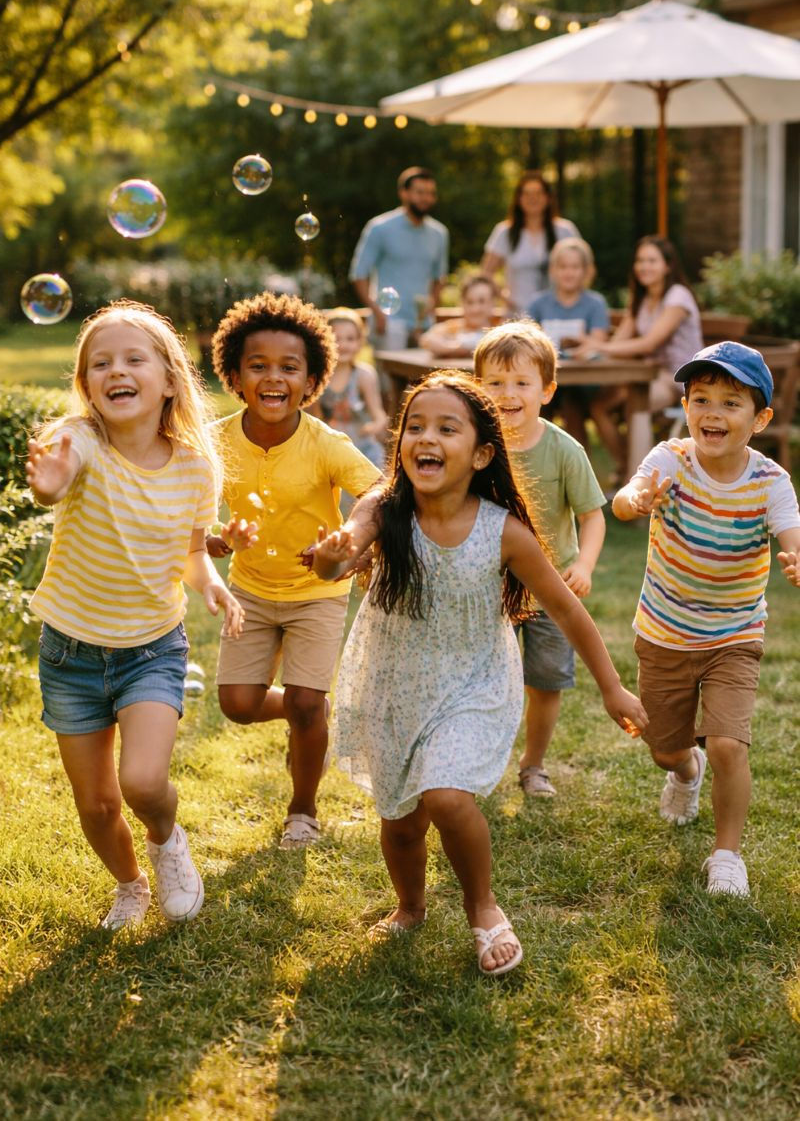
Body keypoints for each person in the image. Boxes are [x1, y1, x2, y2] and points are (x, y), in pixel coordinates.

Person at [311, 372, 646, 975]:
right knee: (402, 820)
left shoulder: (503, 532)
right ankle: (410, 907)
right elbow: (343, 557)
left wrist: (613, 685)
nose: (425, 438)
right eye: (415, 426)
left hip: (474, 682)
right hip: (395, 683)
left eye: (446, 428)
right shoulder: (383, 510)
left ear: (482, 453)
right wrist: (334, 557)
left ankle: (483, 908)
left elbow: (567, 608)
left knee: (445, 794)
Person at [26, 300, 245, 931]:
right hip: (70, 654)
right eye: (100, 363)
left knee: (144, 783)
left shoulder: (196, 468)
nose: (115, 370)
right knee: (95, 804)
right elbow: (53, 484)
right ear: (87, 384)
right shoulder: (81, 441)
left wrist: (211, 585)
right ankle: (129, 885)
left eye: (132, 359)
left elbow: (190, 551)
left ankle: (166, 839)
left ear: (170, 380)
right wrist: (49, 481)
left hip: (151, 648)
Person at [612, 342, 800, 896]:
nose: (712, 413)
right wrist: (637, 497)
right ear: (686, 405)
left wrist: (795, 554)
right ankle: (683, 772)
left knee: (726, 744)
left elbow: (791, 530)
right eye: (701, 399)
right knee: (667, 749)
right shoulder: (670, 459)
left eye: (730, 403)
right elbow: (626, 497)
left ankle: (726, 855)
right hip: (664, 631)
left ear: (760, 418)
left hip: (734, 634)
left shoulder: (770, 481)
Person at [207, 293, 383, 849]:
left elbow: (380, 489)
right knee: (236, 704)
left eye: (289, 367)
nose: (273, 378)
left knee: (307, 703)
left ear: (311, 381)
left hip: (316, 591)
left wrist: (349, 540)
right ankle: (311, 711)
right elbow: (186, 502)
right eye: (258, 366)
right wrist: (214, 539)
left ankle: (302, 810)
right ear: (234, 375)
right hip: (251, 590)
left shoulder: (326, 444)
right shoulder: (215, 442)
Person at [474, 323, 607, 798]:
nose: (508, 393)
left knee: (546, 683)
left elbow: (593, 517)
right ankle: (479, 765)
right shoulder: (476, 450)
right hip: (489, 589)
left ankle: (533, 765)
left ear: (547, 390)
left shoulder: (564, 449)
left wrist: (585, 565)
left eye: (522, 383)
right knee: (487, 685)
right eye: (495, 382)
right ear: (477, 388)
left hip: (552, 593)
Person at [575, 236, 703, 482]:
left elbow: (650, 342)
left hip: (681, 380)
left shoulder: (678, 297)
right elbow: (618, 342)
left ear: (667, 266)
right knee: (598, 405)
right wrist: (592, 348)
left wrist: (601, 347)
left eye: (652, 260)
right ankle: (631, 470)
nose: (645, 266)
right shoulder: (641, 299)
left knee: (635, 402)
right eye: (640, 260)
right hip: (646, 376)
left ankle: (638, 479)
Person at [349, 167, 449, 350]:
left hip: (424, 326)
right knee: (389, 379)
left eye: (430, 194)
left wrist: (432, 306)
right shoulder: (379, 228)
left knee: (424, 379)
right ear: (404, 193)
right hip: (389, 324)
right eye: (420, 192)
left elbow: (440, 277)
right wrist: (377, 313)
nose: (426, 198)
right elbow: (359, 274)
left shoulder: (439, 233)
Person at [529, 237, 610, 446]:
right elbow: (525, 340)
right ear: (553, 270)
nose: (569, 272)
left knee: (571, 403)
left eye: (575, 267)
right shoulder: (538, 303)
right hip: (546, 375)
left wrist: (582, 343)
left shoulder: (595, 303)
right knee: (540, 402)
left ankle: (578, 464)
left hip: (584, 378)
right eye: (563, 266)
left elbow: (598, 340)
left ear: (585, 271)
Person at [481, 171, 579, 315]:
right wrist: (504, 297)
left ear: (547, 197)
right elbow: (486, 272)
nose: (532, 199)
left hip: (560, 314)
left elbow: (584, 268)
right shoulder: (505, 232)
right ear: (519, 199)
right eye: (527, 194)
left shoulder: (565, 231)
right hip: (518, 314)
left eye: (538, 193)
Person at [312, 307, 387, 469]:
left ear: (360, 341)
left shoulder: (364, 376)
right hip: (331, 448)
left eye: (350, 339)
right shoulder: (319, 377)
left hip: (363, 449)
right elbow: (316, 418)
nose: (343, 344)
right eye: (336, 339)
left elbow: (378, 414)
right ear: (323, 340)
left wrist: (375, 426)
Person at [418, 274, 499, 358]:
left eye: (482, 301)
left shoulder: (498, 333)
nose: (475, 309)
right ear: (462, 303)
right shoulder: (453, 327)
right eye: (469, 302)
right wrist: (457, 348)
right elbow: (426, 340)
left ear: (493, 303)